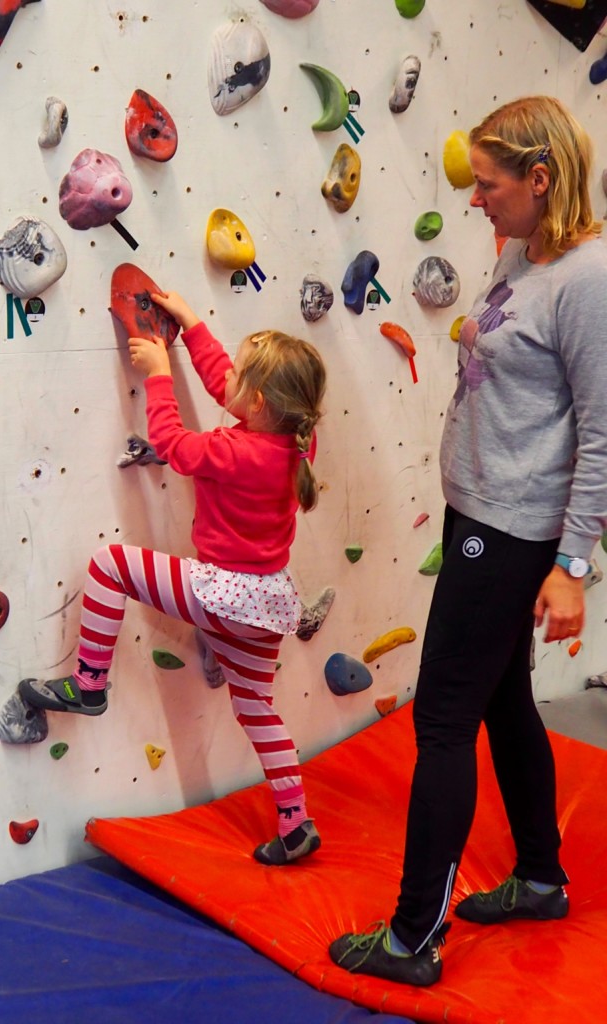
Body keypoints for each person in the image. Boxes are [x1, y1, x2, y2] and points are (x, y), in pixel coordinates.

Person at [329, 95, 607, 985]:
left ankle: (413, 939)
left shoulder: (588, 282)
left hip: (516, 530)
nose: (475, 200)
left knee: (442, 721)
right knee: (501, 702)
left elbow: (603, 432)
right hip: (478, 513)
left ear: (540, 179)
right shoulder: (530, 249)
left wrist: (570, 565)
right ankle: (539, 877)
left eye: (490, 186)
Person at [19, 290, 328, 865]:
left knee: (111, 565)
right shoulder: (292, 441)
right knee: (257, 708)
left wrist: (159, 375)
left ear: (256, 402)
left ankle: (88, 684)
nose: (225, 378)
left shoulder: (234, 450)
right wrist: (190, 326)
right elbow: (227, 386)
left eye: (239, 375)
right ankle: (295, 823)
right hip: (267, 607)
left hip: (223, 596)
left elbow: (173, 446)